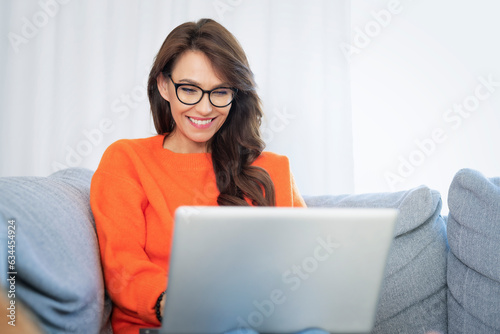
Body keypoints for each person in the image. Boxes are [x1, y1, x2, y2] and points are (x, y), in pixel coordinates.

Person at [90, 18, 325, 334]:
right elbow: (122, 268)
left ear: (235, 94)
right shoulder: (127, 160)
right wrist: (180, 303)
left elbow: (305, 264)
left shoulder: (272, 168)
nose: (204, 108)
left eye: (219, 92)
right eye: (189, 89)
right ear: (163, 85)